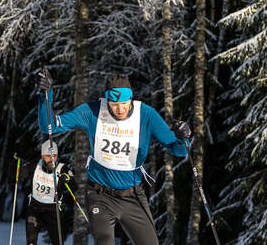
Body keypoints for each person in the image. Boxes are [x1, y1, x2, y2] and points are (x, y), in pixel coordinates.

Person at [35, 71, 191, 245]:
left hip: (132, 195)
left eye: (124, 103)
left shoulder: (146, 115)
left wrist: (183, 137)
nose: (120, 109)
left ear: (131, 99)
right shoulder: (92, 111)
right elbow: (49, 126)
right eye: (114, 104)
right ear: (107, 100)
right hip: (100, 195)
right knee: (104, 240)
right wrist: (45, 95)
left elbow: (179, 150)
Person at [24, 140, 72, 245]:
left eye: (54, 156)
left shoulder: (62, 168)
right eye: (48, 156)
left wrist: (67, 179)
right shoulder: (35, 166)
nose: (52, 159)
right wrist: (19, 167)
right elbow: (17, 172)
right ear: (42, 156)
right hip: (35, 208)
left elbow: (74, 185)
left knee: (58, 241)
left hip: (53, 210)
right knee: (31, 240)